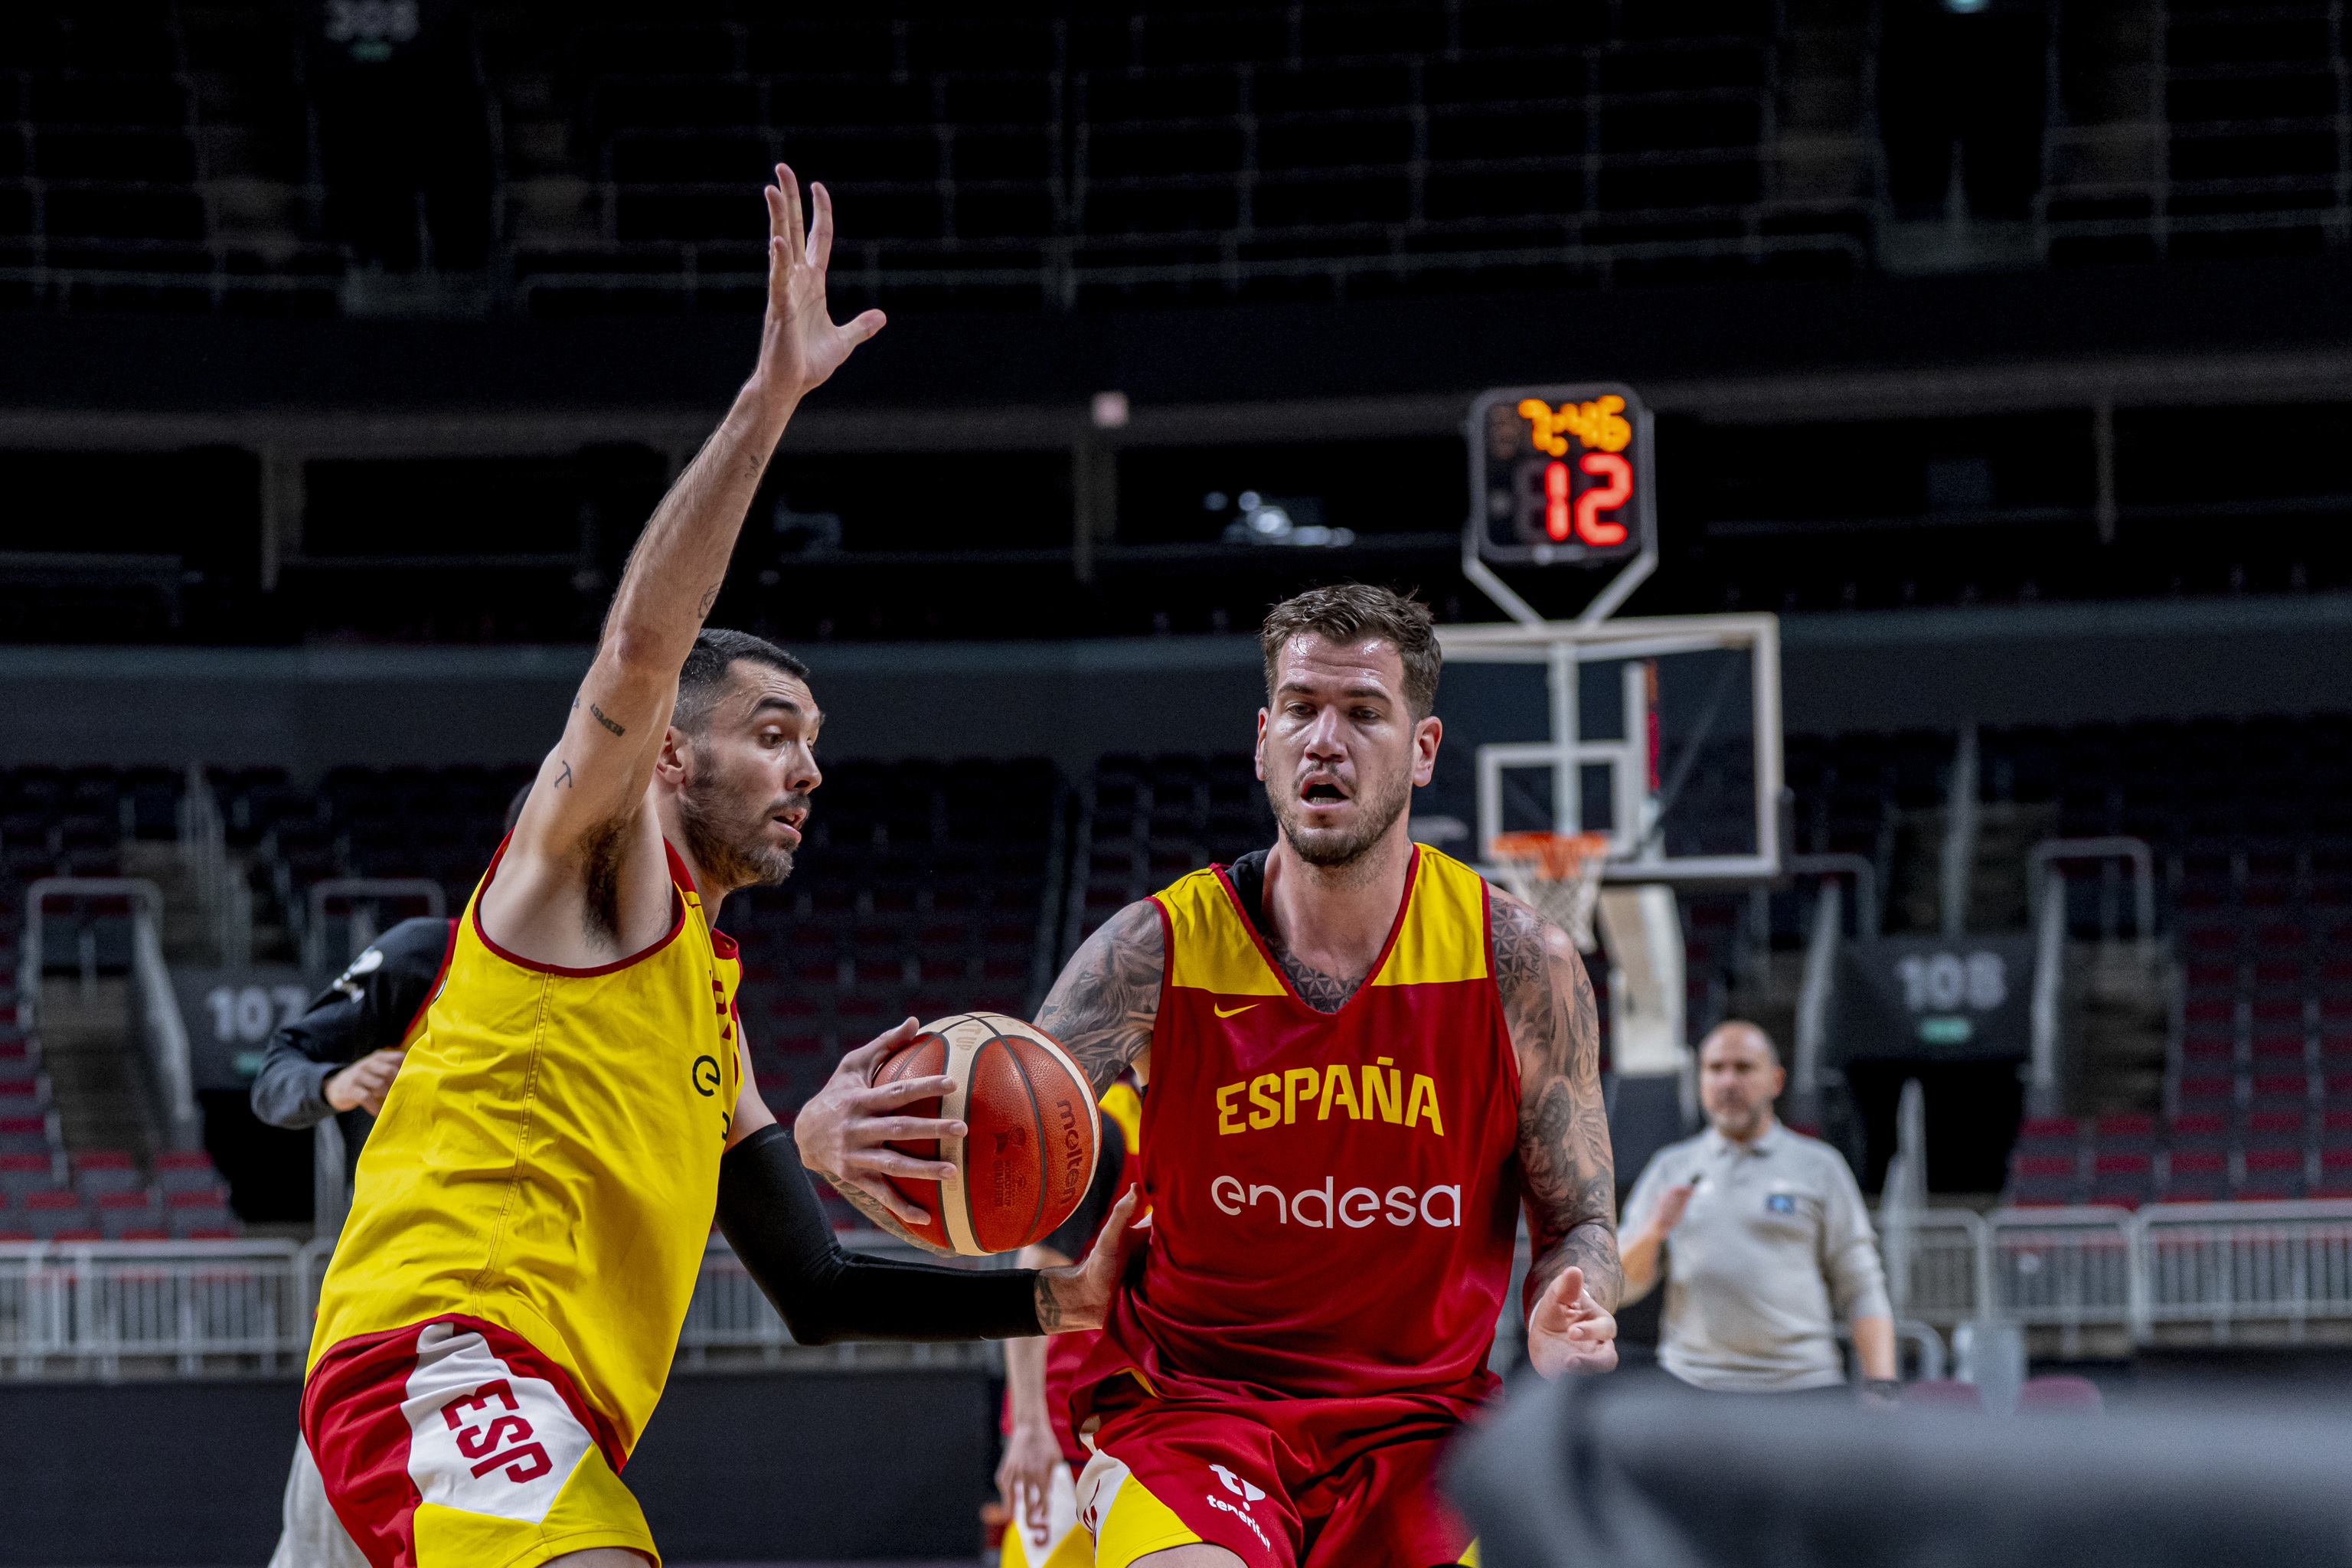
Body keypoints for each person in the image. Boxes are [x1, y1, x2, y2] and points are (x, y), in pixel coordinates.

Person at [299, 168, 1138, 1568]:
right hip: (440, 1358)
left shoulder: (712, 1011)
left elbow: (810, 1282)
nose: (807, 767)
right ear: (671, 761)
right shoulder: (583, 875)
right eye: (770, 732)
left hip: (532, 1404)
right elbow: (638, 653)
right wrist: (769, 407)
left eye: (813, 740)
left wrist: (1055, 1302)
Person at [800, 583, 1622, 1568]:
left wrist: (1567, 1300)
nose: (1328, 739)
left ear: (1424, 748)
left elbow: (1578, 1215)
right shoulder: (1151, 951)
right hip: (1196, 1411)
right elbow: (999, 1161)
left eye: (1364, 712)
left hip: (1421, 1429)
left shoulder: (1522, 961)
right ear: (1264, 737)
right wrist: (829, 1143)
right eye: (1304, 709)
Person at [1618, 1021, 1897, 1400]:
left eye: (1744, 1068)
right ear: (1700, 1081)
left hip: (1803, 1387)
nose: (1728, 1082)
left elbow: (1862, 1285)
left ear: (1776, 1081)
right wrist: (1654, 1230)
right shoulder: (1670, 1169)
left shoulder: (1820, 1166)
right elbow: (1622, 1287)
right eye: (1715, 1069)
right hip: (1693, 1386)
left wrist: (1882, 1388)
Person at [997, 1077, 1146, 1568]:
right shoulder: (1100, 1133)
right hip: (1067, 1437)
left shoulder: (1198, 1131)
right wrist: (1029, 1424)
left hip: (1148, 1430)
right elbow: (1033, 1276)